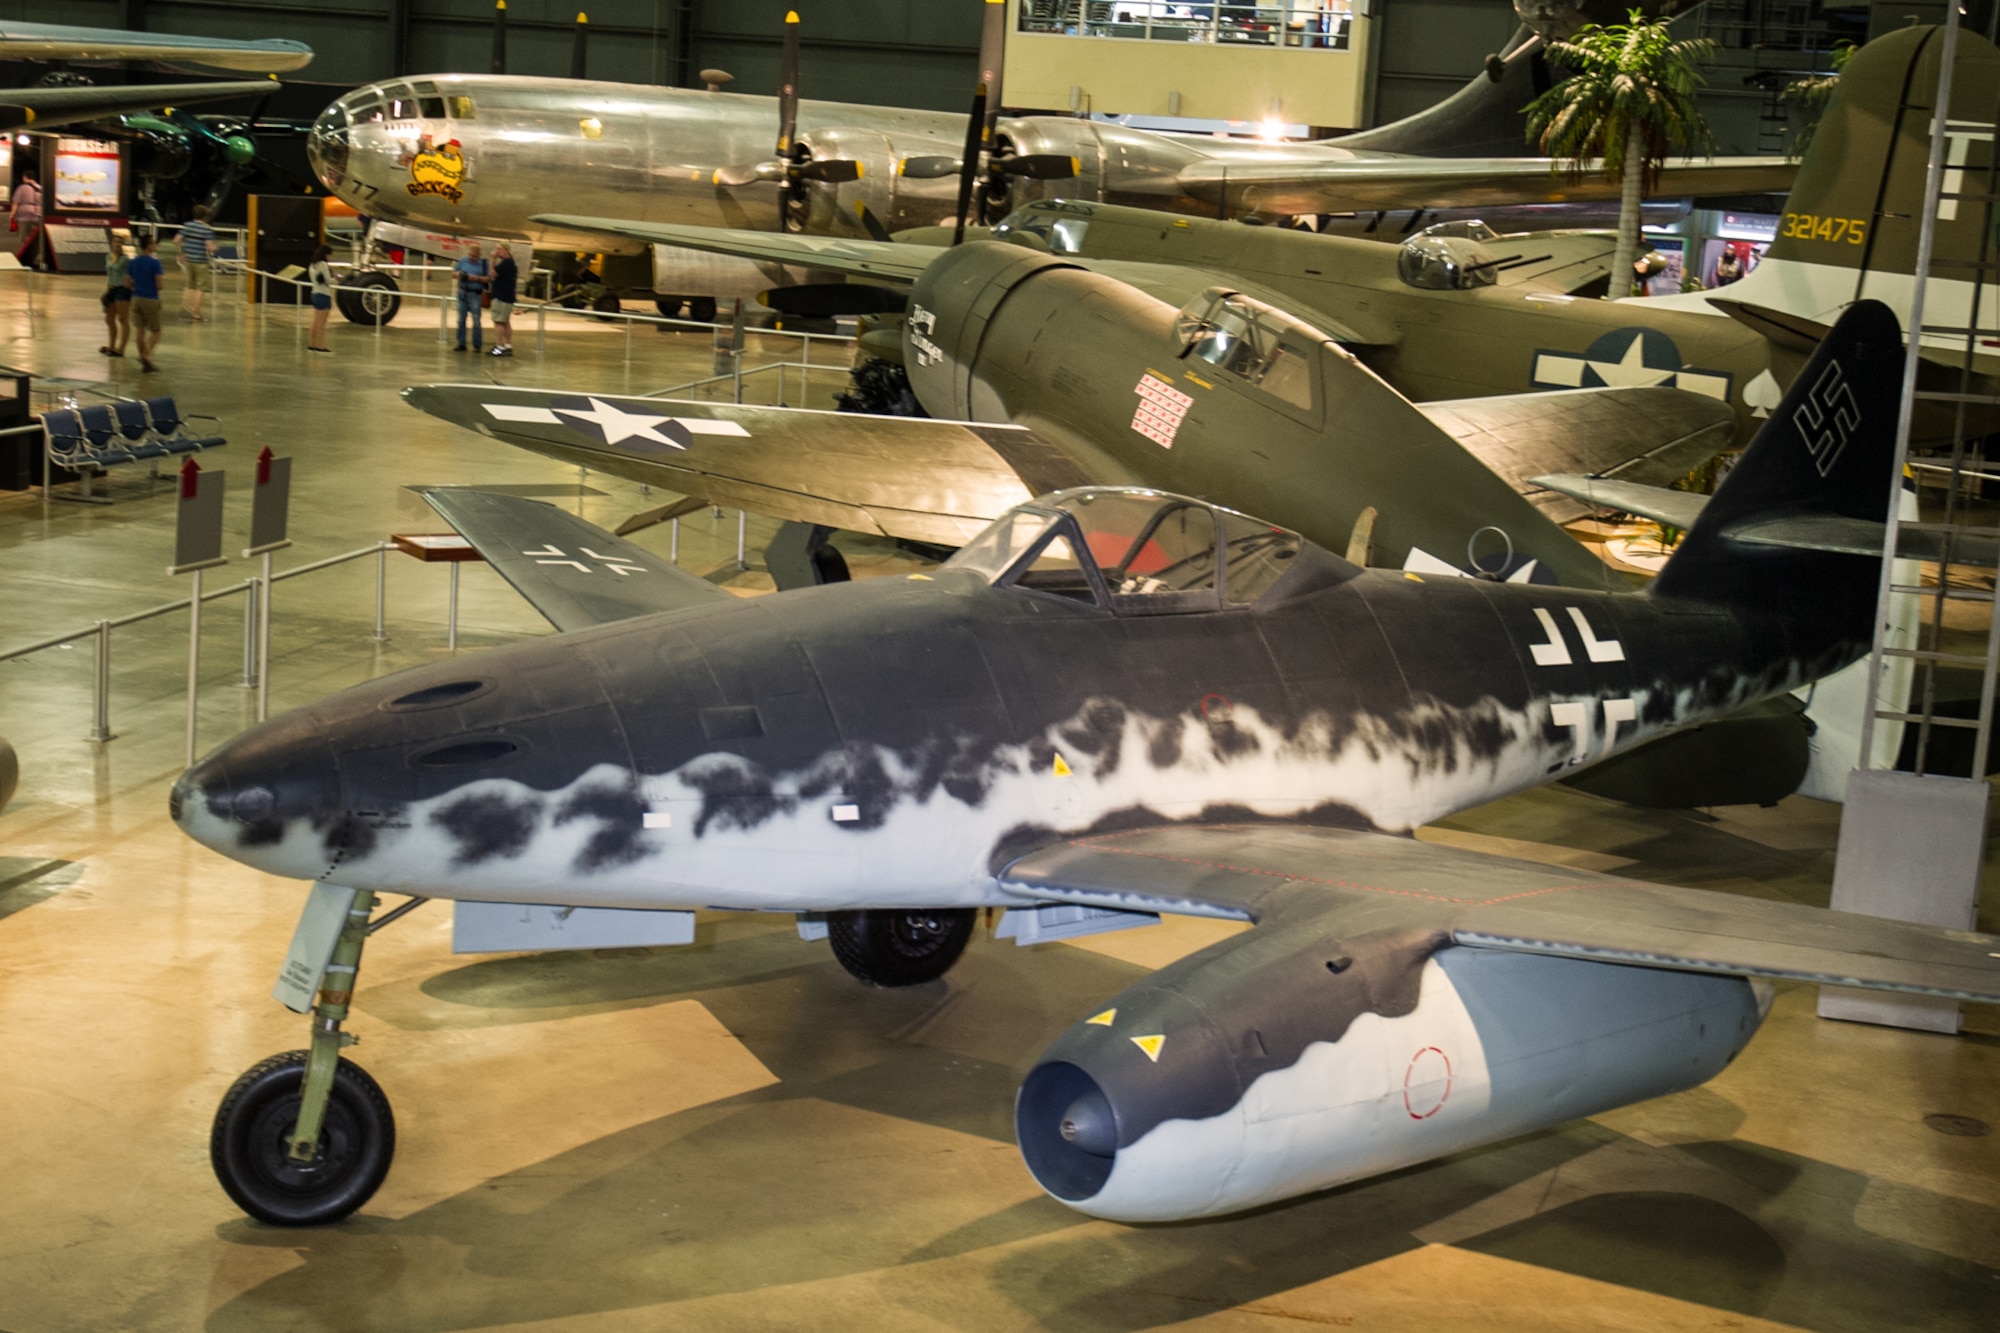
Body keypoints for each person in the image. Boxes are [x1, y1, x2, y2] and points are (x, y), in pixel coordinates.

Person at [127, 233, 167, 373]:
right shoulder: (155, 263)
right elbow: (159, 285)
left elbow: (127, 283)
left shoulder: (133, 262)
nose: (155, 245)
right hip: (150, 299)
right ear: (149, 246)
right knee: (156, 331)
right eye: (154, 243)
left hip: (136, 298)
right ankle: (146, 354)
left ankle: (143, 358)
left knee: (140, 330)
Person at [179, 204, 216, 321]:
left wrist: (181, 253)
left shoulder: (187, 226)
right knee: (200, 288)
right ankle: (196, 313)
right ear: (204, 216)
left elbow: (176, 240)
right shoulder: (206, 229)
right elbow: (209, 247)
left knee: (189, 285)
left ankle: (185, 309)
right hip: (201, 262)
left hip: (189, 260)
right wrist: (215, 248)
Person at [453, 243, 490, 351]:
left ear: (478, 256)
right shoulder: (462, 261)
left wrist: (477, 279)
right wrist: (458, 274)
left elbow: (488, 279)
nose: (471, 258)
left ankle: (477, 344)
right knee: (460, 320)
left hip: (475, 294)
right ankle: (461, 343)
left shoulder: (484, 264)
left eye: (474, 257)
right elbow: (453, 274)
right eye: (470, 256)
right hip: (462, 293)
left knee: (476, 320)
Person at [100, 234, 131, 358]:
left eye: (119, 242)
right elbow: (109, 274)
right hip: (111, 289)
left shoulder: (125, 260)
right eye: (115, 241)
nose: (117, 244)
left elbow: (129, 276)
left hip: (122, 290)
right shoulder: (107, 257)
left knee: (123, 319)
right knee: (109, 319)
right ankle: (111, 345)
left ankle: (121, 348)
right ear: (111, 243)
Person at [488, 243, 518, 357]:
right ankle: (507, 345)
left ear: (506, 250)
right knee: (505, 321)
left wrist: (492, 259)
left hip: (501, 296)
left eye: (499, 249)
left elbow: (492, 273)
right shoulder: (510, 263)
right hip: (507, 296)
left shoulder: (507, 263)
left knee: (499, 321)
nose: (497, 251)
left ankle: (499, 346)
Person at [10, 168, 42, 270]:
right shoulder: (40, 188)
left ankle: (24, 260)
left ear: (25, 177)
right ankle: (35, 260)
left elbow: (16, 202)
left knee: (24, 238)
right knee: (35, 239)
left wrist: (12, 214)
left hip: (25, 215)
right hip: (38, 215)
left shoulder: (22, 188)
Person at [306, 243, 335, 353]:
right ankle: (320, 345)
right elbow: (328, 280)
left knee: (315, 321)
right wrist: (336, 279)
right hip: (323, 294)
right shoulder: (323, 264)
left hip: (315, 293)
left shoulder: (312, 265)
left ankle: (311, 344)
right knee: (321, 322)